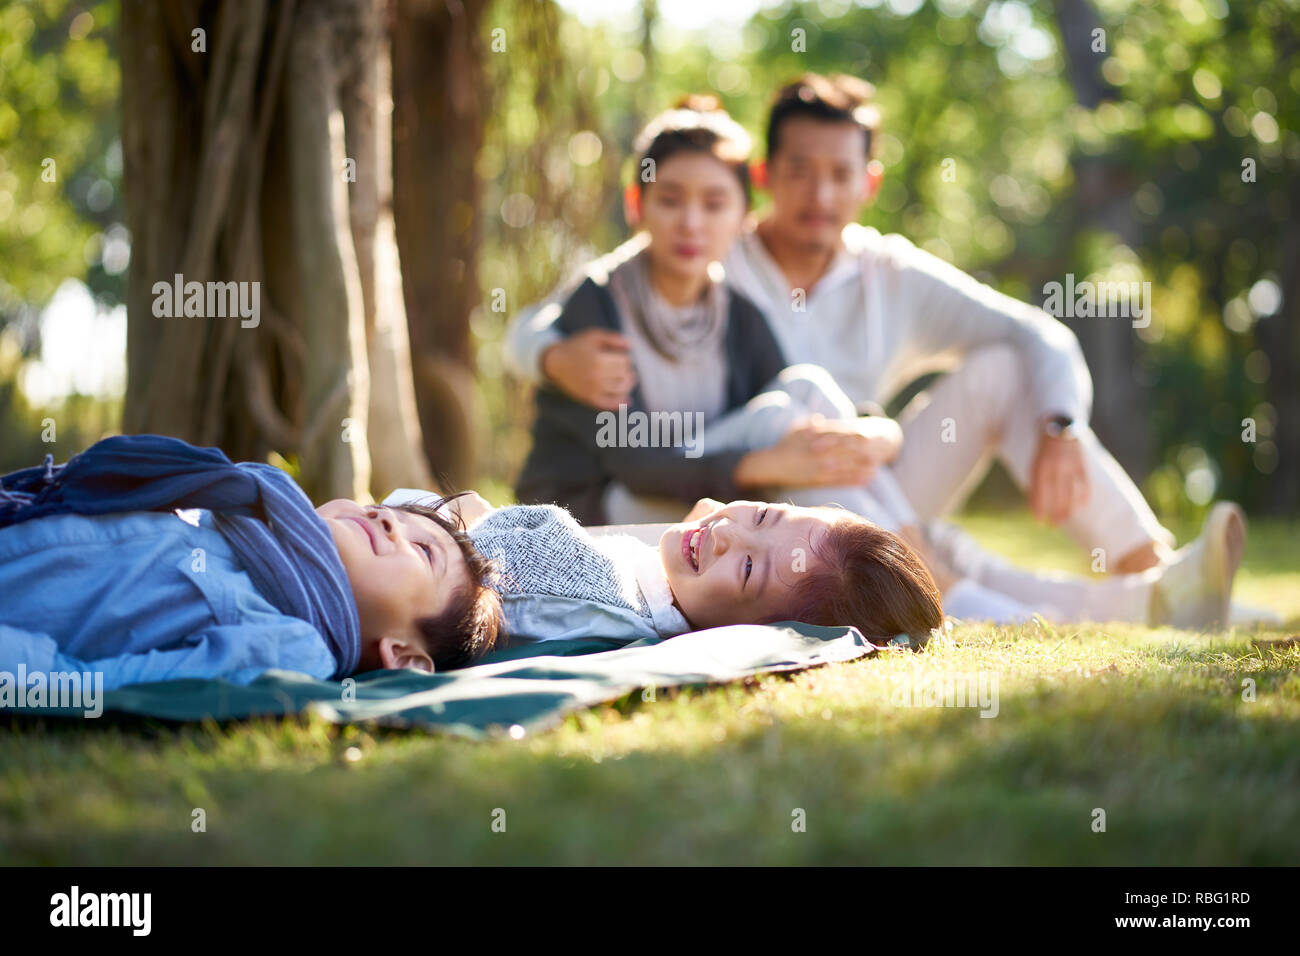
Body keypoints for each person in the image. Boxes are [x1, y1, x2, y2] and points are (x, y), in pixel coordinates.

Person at [505, 73, 1180, 598]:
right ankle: (970, 582)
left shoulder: (893, 274)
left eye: (839, 175)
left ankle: (1147, 567)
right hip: (748, 501)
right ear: (764, 179)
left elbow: (1040, 333)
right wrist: (552, 355)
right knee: (799, 411)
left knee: (1004, 368)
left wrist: (1060, 426)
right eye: (798, 171)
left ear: (869, 183)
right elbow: (551, 315)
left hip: (870, 485)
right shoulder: (707, 246)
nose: (819, 195)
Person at [514, 93, 892, 526]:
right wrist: (761, 466)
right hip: (593, 516)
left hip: (695, 502)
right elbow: (634, 464)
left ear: (742, 217)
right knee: (781, 425)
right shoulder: (599, 300)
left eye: (714, 205)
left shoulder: (737, 313)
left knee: (806, 388)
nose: (691, 223)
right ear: (637, 205)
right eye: (671, 201)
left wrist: (876, 428)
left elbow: (797, 402)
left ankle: (904, 544)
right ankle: (895, 553)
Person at [0, 434, 502, 691]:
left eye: (422, 551)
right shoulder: (243, 518)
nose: (385, 520)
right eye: (383, 511)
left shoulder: (291, 647)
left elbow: (104, 683)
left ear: (406, 656)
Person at [389, 489, 945, 648]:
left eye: (750, 568)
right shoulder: (651, 582)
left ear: (742, 633)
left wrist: (472, 517)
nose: (729, 532)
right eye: (761, 513)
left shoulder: (592, 592)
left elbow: (479, 575)